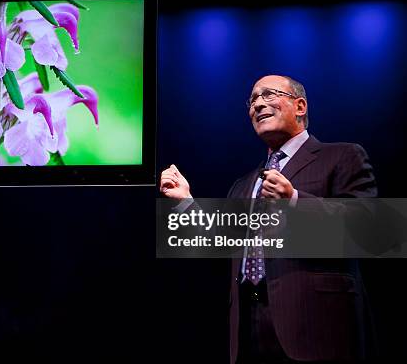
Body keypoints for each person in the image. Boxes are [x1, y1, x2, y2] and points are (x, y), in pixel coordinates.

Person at [160, 75, 377, 363]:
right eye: (252, 100)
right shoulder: (244, 184)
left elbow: (368, 229)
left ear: (299, 106)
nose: (258, 104)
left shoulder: (342, 156)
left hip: (317, 325)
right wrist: (186, 202)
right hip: (249, 328)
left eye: (269, 95)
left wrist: (295, 201)